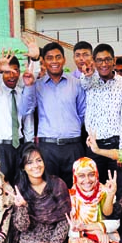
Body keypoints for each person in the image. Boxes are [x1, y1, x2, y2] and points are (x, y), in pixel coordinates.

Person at [20, 43, 87, 188]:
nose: (54, 61)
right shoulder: (36, 84)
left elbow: (82, 114)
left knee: (77, 190)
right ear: (43, 61)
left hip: (73, 146)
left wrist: (71, 129)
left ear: (64, 59)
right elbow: (26, 110)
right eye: (50, 58)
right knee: (50, 191)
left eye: (58, 57)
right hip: (47, 148)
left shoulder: (76, 84)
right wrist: (29, 86)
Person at [11, 144, 73, 243]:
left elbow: (65, 219)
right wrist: (23, 206)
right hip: (31, 236)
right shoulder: (21, 189)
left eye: (39, 160)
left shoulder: (57, 184)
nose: (36, 166)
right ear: (23, 167)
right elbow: (22, 227)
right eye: (29, 162)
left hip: (55, 235)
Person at [79, 43, 122, 194]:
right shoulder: (91, 81)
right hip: (95, 147)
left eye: (107, 59)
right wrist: (88, 73)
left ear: (114, 61)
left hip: (116, 145)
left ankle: (118, 219)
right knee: (94, 190)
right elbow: (84, 82)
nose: (104, 64)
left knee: (119, 190)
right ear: (94, 62)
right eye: (100, 60)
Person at [66, 158, 119, 243]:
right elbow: (72, 229)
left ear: (96, 174)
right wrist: (93, 231)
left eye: (91, 174)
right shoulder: (71, 196)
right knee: (76, 241)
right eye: (81, 176)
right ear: (75, 177)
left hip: (105, 236)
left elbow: (115, 222)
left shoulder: (104, 191)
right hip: (85, 239)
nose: (87, 180)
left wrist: (96, 228)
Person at [0, 51, 34, 182]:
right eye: (7, 72)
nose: (12, 75)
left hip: (21, 147)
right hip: (2, 148)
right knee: (2, 185)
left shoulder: (21, 92)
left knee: (22, 184)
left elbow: (28, 119)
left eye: (15, 71)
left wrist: (29, 145)